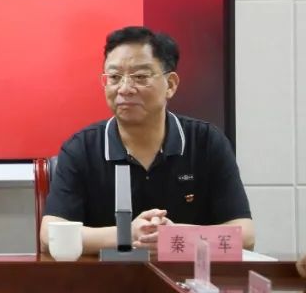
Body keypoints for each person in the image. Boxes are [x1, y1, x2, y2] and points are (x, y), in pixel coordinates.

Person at [41, 26, 254, 255]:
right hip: (107, 276)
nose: (125, 89)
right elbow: (49, 236)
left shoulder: (206, 143)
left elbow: (245, 235)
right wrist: (127, 235)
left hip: (186, 276)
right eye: (114, 77)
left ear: (170, 84)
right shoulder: (82, 148)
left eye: (140, 77)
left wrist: (178, 238)